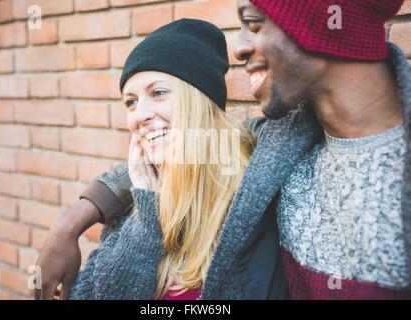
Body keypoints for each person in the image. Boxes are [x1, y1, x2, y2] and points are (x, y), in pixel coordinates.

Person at [38, 0, 411, 299]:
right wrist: (73, 220)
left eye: (159, 93)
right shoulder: (145, 196)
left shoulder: (261, 166)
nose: (240, 47)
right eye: (130, 102)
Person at [44, 19, 316, 300]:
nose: (139, 115)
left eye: (158, 93)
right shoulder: (136, 204)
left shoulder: (257, 184)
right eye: (131, 102)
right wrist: (145, 219)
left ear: (199, 99)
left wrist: (71, 221)